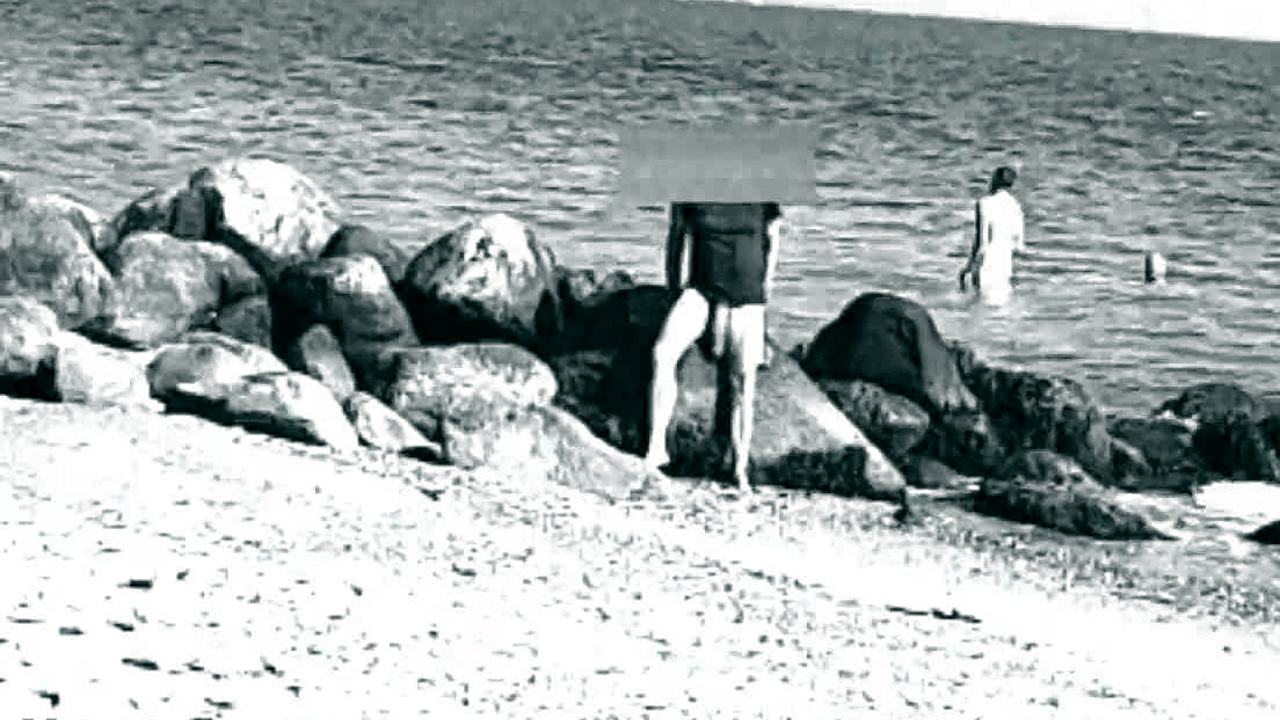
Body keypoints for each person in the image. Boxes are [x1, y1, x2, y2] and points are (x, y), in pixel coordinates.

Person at [643, 201, 785, 493]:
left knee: (743, 381)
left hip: (746, 296)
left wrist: (765, 294)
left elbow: (773, 240)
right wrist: (673, 290)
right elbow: (676, 240)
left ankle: (739, 468)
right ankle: (656, 450)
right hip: (701, 292)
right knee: (663, 353)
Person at [959, 166, 1025, 297]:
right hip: (1005, 265)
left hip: (987, 263)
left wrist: (969, 266)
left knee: (980, 303)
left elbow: (981, 239)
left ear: (995, 181)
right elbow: (1018, 246)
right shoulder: (1016, 207)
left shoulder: (985, 203)